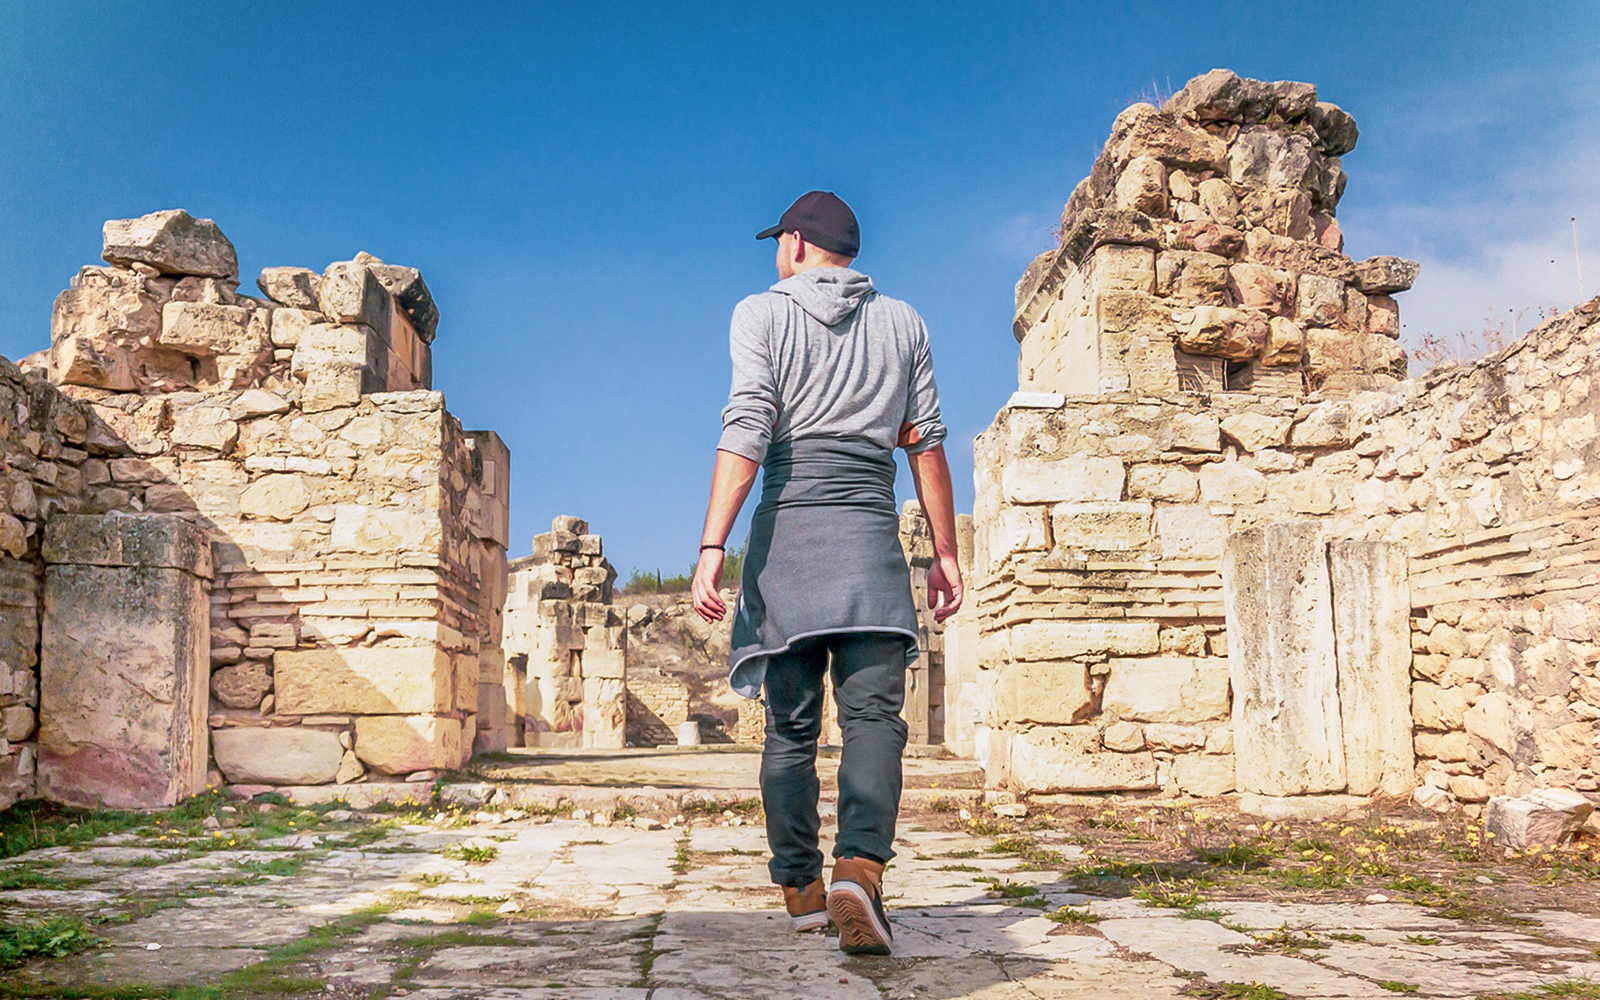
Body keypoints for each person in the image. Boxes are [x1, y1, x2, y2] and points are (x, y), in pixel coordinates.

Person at [689, 190, 963, 956]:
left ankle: (802, 890)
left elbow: (747, 427)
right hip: (871, 539)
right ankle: (861, 870)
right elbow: (926, 444)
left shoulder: (761, 313)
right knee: (876, 720)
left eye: (779, 239)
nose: (777, 252)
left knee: (791, 729)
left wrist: (713, 545)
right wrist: (945, 553)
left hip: (790, 544)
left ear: (799, 244)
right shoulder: (904, 322)